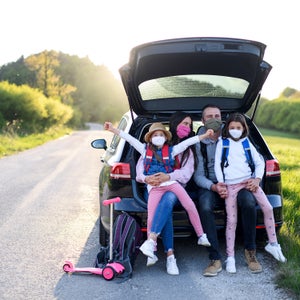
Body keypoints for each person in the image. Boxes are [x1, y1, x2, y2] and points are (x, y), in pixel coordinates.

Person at [104, 121, 213, 256]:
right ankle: (152, 247)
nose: (158, 137)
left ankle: (201, 235)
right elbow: (130, 139)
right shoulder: (144, 150)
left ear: (166, 137)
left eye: (161, 134)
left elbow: (187, 143)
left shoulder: (172, 151)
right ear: (150, 138)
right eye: (155, 135)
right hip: (154, 188)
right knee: (151, 217)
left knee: (190, 205)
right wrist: (113, 130)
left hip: (171, 184)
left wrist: (204, 136)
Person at [194, 105, 263, 276]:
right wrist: (215, 186)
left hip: (239, 182)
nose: (214, 119)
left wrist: (255, 179)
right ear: (202, 121)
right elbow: (198, 175)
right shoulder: (199, 142)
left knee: (248, 202)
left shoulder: (235, 130)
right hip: (211, 184)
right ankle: (215, 258)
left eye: (217, 115)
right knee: (204, 206)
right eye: (209, 116)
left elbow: (257, 158)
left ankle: (250, 252)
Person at [214, 112, 287, 273]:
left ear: (243, 129)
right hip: (231, 186)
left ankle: (273, 244)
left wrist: (257, 179)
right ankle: (230, 257)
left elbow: (259, 162)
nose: (235, 130)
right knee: (231, 221)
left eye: (238, 127)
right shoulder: (222, 143)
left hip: (249, 183)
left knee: (268, 208)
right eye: (232, 127)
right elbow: (217, 165)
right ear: (227, 128)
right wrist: (221, 183)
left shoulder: (247, 142)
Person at [135, 112, 198, 275]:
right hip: (154, 187)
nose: (187, 128)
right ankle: (170, 255)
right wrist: (147, 179)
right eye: (184, 123)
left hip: (175, 188)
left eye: (189, 125)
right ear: (175, 124)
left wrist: (168, 176)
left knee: (168, 200)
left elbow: (186, 174)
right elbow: (140, 171)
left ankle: (154, 244)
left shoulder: (187, 151)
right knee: (166, 208)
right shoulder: (152, 149)